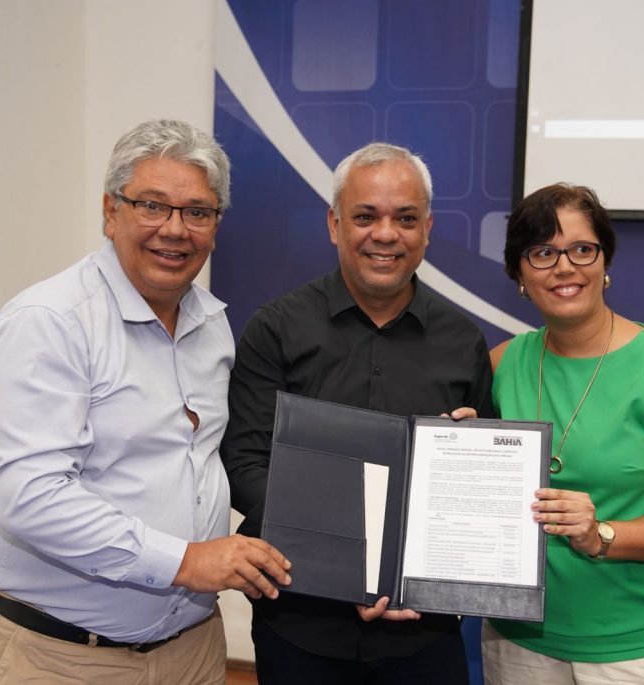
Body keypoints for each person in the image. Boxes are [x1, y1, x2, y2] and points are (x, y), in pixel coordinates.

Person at [0, 119, 291, 685]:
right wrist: (186, 561)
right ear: (110, 211)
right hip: (62, 659)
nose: (175, 229)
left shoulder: (212, 325)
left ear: (216, 225)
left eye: (197, 212)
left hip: (193, 650)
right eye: (153, 205)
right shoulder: (49, 323)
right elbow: (32, 496)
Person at [222, 142, 494, 685]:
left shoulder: (463, 341)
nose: (385, 234)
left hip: (425, 633)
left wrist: (469, 459)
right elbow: (246, 465)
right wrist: (349, 564)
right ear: (334, 224)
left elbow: (480, 492)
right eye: (365, 216)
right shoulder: (276, 329)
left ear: (427, 229)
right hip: (300, 626)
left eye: (406, 219)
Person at [482, 183, 644, 684]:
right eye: (543, 252)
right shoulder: (501, 364)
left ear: (604, 262)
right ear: (519, 274)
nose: (564, 267)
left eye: (581, 249)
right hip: (521, 642)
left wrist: (601, 535)